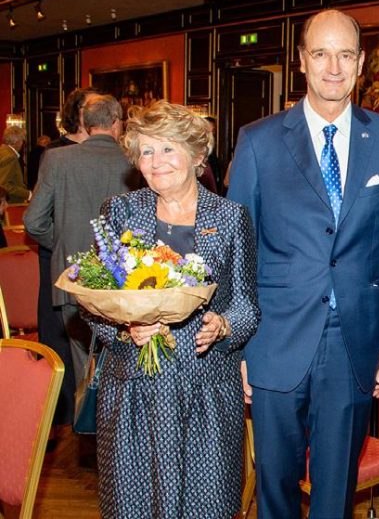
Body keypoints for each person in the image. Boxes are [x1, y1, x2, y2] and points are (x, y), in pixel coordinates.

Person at [227, 8, 379, 519]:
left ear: (361, 64)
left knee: (336, 491)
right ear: (302, 61)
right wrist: (236, 343)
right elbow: (238, 249)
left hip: (355, 342)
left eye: (345, 55)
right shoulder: (258, 140)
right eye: (321, 54)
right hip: (274, 340)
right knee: (275, 489)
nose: (333, 67)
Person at [84, 100, 260, 518]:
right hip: (134, 392)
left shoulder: (231, 217)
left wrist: (223, 325)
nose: (156, 160)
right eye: (146, 151)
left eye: (168, 148)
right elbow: (92, 303)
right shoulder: (120, 212)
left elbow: (247, 307)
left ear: (197, 155)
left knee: (206, 505)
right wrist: (124, 328)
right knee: (133, 505)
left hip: (207, 393)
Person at [23, 94, 140, 429]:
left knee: (82, 370)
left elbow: (33, 222)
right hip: (126, 283)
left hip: (73, 280)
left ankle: (88, 437)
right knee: (126, 364)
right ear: (117, 123)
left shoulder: (57, 159)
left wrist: (63, 246)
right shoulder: (134, 161)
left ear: (86, 125)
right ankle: (121, 436)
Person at [0, 125, 31, 204]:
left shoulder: (2, 151)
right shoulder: (10, 157)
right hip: (11, 203)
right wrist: (28, 194)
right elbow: (4, 185)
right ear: (17, 142)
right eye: (22, 140)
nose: (22, 143)